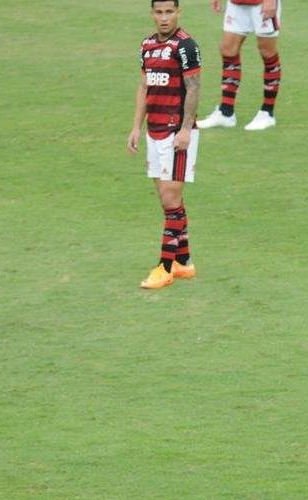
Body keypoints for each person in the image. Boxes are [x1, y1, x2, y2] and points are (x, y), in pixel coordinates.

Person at [128, 0, 203, 290]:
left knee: (171, 200)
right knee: (167, 200)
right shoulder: (146, 46)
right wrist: (136, 126)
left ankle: (165, 267)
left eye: (169, 12)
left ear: (178, 13)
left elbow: (194, 87)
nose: (163, 18)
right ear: (152, 14)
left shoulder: (186, 46)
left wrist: (185, 129)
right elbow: (144, 86)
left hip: (176, 134)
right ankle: (184, 262)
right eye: (158, 12)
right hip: (154, 131)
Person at [197, 0, 282, 131]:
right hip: (237, 3)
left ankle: (267, 113)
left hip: (262, 4)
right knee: (228, 49)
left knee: (267, 52)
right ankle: (226, 113)